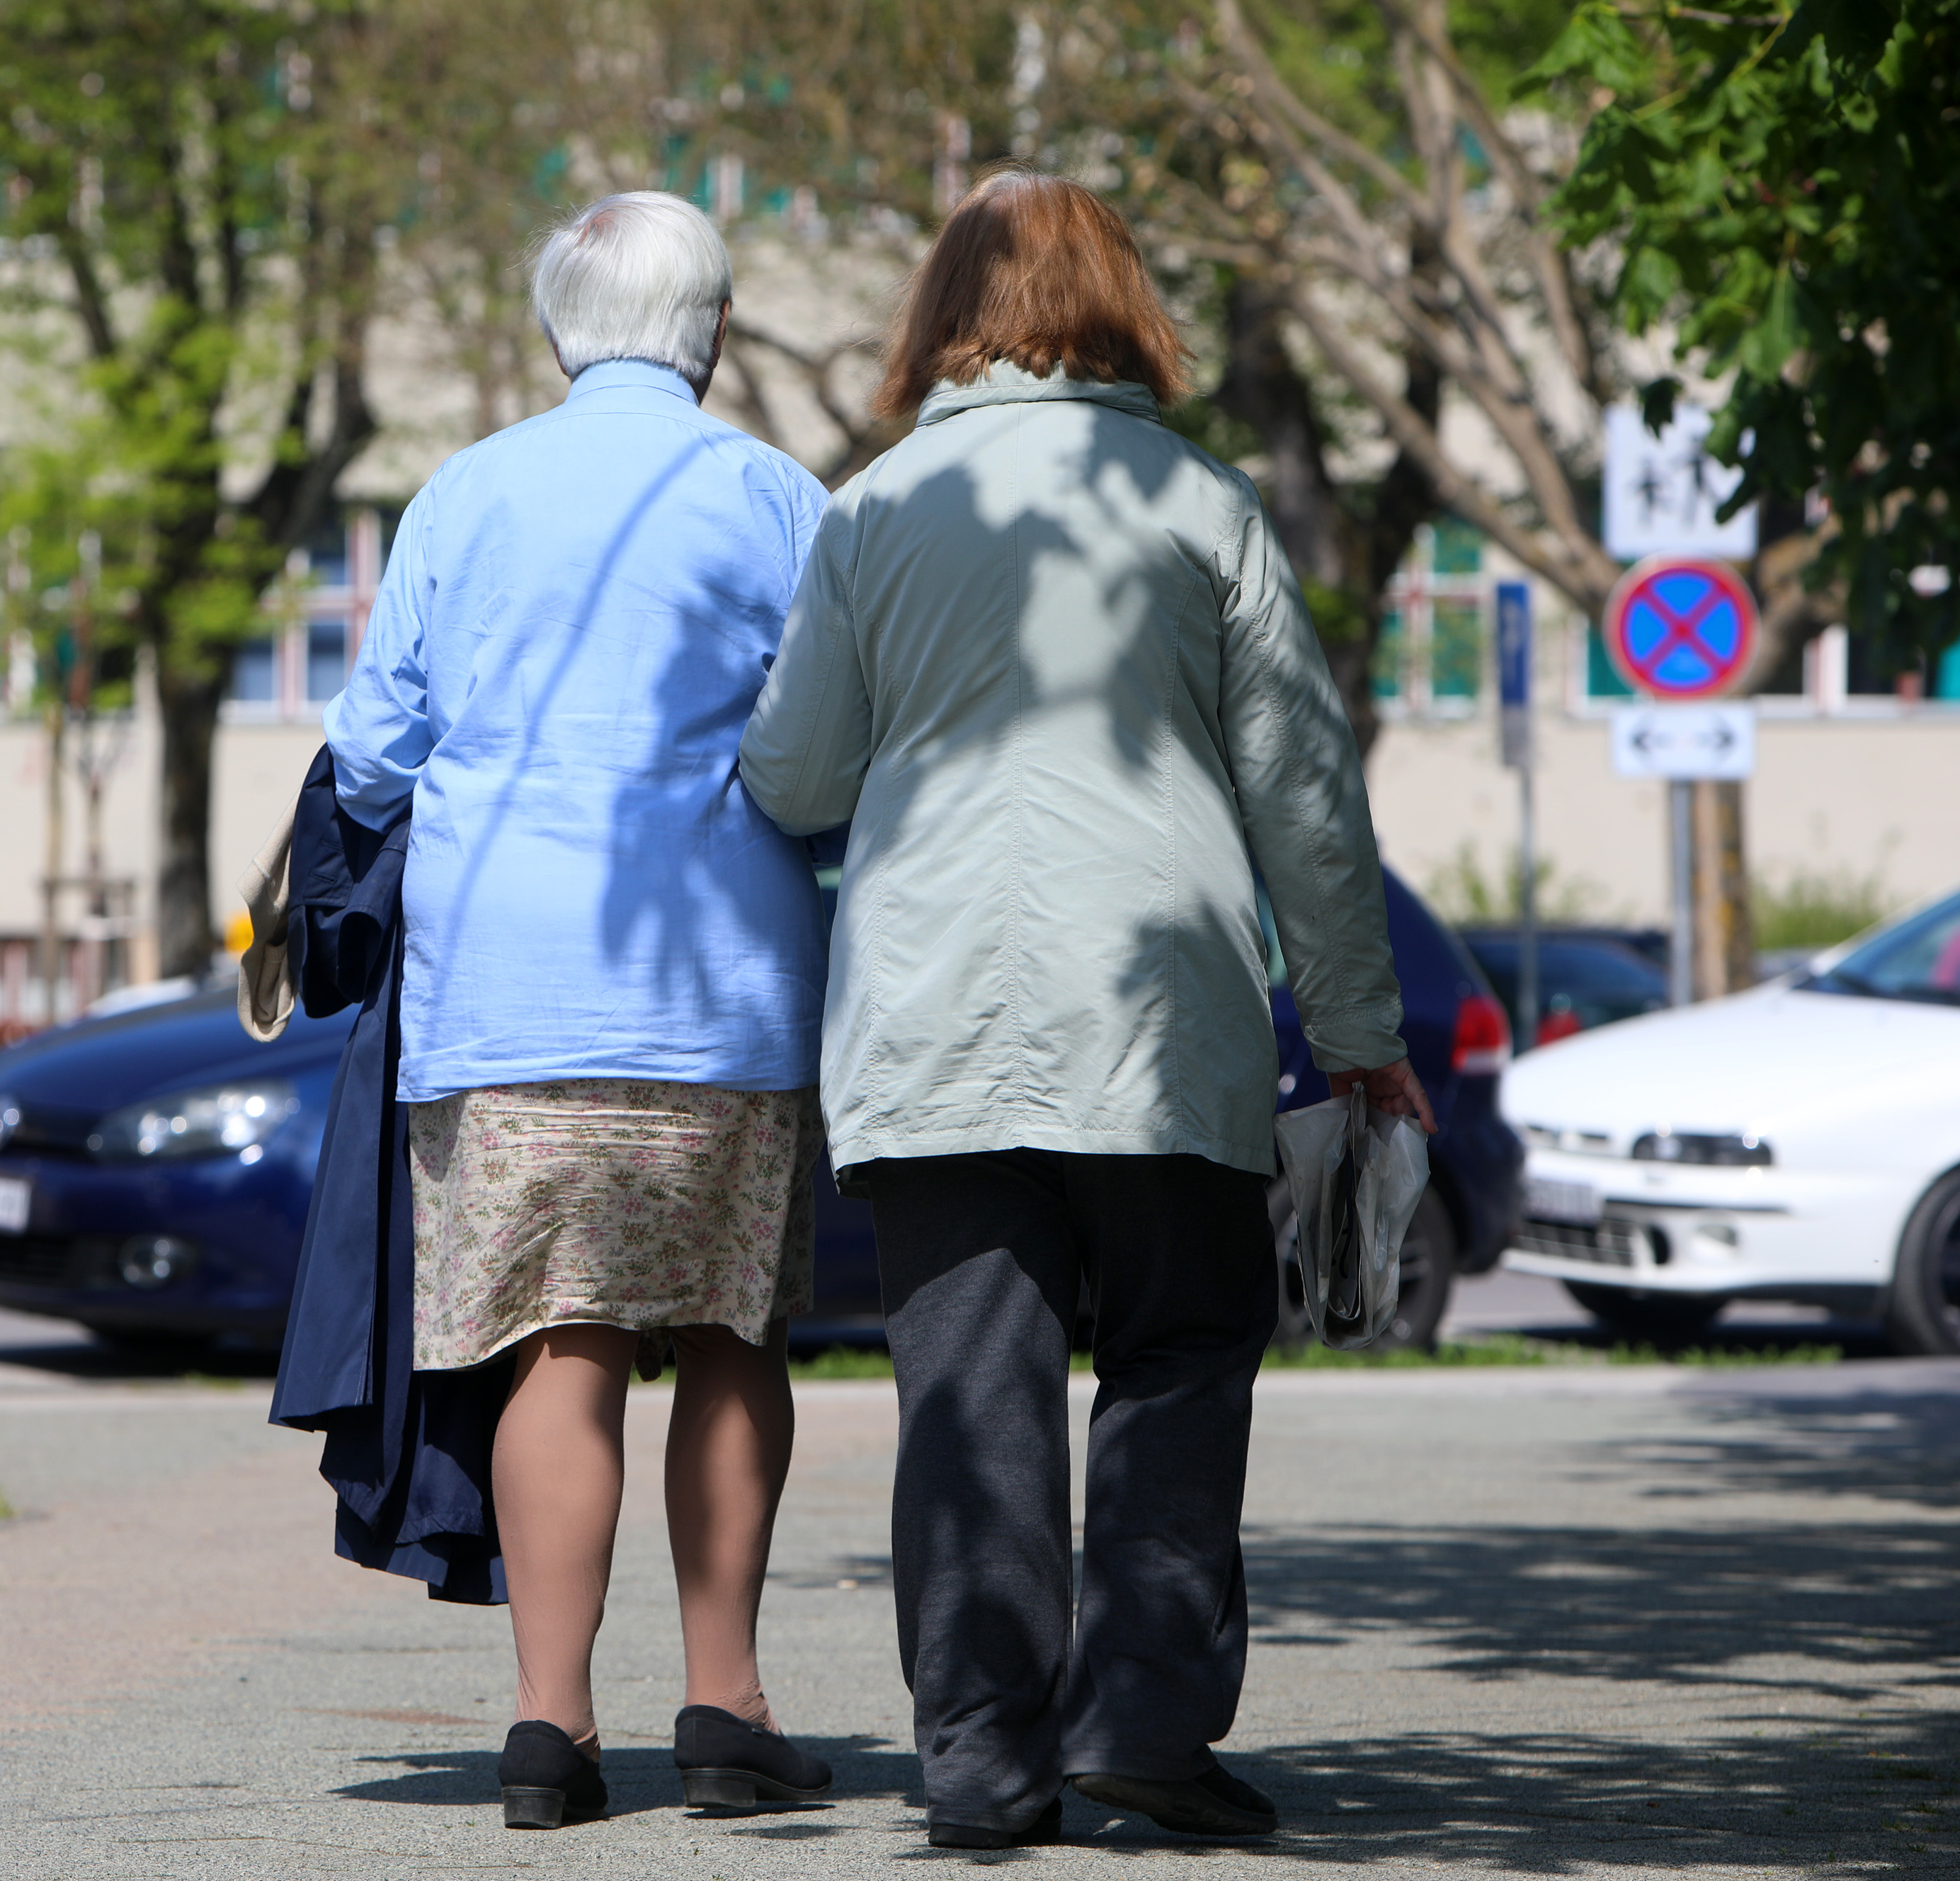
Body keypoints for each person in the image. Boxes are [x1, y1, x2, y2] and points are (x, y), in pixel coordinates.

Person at [738, 169, 1433, 1851]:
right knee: (1179, 1352)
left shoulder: (870, 513)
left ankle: (981, 1758)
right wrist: (1358, 1032)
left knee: (966, 1389)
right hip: (1162, 1016)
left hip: (932, 1019)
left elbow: (796, 772)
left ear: (941, 314)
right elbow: (1304, 798)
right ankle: (1143, 1723)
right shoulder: (1201, 505)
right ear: (1124, 303)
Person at [322, 190, 836, 1830]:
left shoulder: (463, 492)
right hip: (721, 987)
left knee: (562, 1341)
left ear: (560, 327)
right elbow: (831, 746)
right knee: (733, 1334)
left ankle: (549, 1725)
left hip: (505, 993)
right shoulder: (777, 497)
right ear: (715, 330)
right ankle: (724, 1704)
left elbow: (371, 753)